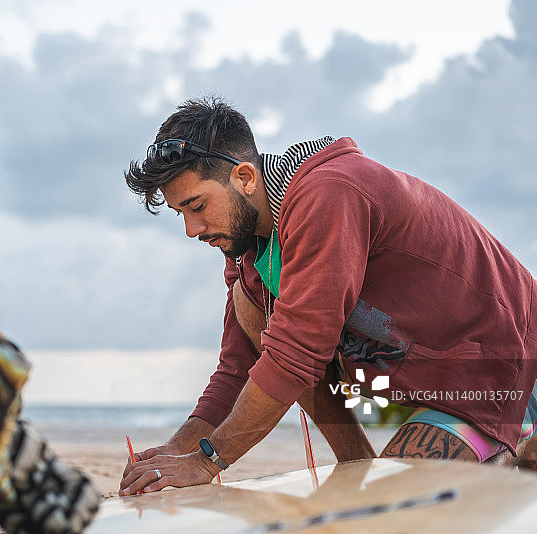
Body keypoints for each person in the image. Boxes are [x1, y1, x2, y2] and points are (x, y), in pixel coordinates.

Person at [118, 96, 537, 496]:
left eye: (197, 206)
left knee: (387, 514)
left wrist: (207, 461)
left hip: (500, 362)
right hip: (438, 380)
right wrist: (180, 449)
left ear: (244, 178)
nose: (192, 230)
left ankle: (516, 433)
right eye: (180, 213)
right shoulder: (248, 249)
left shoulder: (328, 195)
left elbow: (294, 354)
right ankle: (358, 462)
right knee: (254, 307)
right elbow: (239, 364)